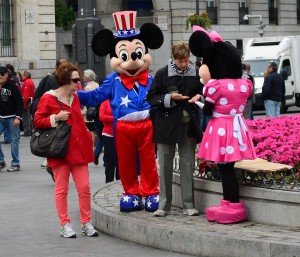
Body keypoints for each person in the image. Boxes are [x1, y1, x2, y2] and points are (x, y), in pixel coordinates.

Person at [33, 62, 98, 238]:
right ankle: (65, 224)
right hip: (60, 150)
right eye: (76, 80)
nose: (79, 83)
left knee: (84, 187)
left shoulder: (76, 97)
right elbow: (37, 121)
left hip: (79, 150)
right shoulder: (49, 98)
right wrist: (56, 117)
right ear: (65, 81)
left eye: (79, 79)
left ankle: (86, 222)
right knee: (62, 189)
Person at [146, 41, 203, 217]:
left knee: (187, 164)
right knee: (165, 165)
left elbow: (205, 91)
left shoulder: (196, 74)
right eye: (180, 62)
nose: (184, 65)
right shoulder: (163, 73)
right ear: (173, 59)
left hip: (188, 124)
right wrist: (169, 97)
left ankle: (188, 204)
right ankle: (164, 205)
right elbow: (151, 97)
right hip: (166, 125)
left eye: (186, 61)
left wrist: (199, 96)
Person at [32, 57, 67, 172]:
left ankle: (53, 163)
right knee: (51, 137)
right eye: (62, 67)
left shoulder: (68, 81)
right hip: (50, 114)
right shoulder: (48, 79)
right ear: (56, 68)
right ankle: (51, 162)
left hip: (62, 115)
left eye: (66, 67)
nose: (65, 70)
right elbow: (38, 95)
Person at [0, 66, 23, 172]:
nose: (0, 76)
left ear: (6, 75)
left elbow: (19, 102)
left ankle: (15, 163)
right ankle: (1, 161)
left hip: (12, 116)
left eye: (2, 74)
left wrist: (18, 117)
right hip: (1, 116)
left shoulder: (13, 86)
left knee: (14, 140)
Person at [100, 100, 119, 183]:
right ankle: (109, 182)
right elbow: (102, 117)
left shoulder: (120, 99)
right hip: (108, 134)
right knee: (110, 161)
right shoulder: (105, 102)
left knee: (120, 161)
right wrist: (115, 118)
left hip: (120, 134)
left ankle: (120, 181)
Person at [81, 69, 99, 146]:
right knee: (93, 129)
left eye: (84, 76)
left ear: (87, 77)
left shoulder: (87, 87)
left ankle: (91, 147)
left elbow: (86, 101)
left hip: (89, 111)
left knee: (90, 130)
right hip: (96, 109)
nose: (82, 77)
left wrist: (83, 111)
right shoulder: (97, 84)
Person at [21, 70, 35, 136]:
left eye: (22, 75)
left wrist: (23, 104)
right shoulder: (30, 81)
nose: (22, 76)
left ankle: (27, 131)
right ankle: (30, 130)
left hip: (27, 102)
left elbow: (25, 95)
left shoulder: (27, 82)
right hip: (30, 101)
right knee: (28, 117)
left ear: (25, 75)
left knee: (26, 117)